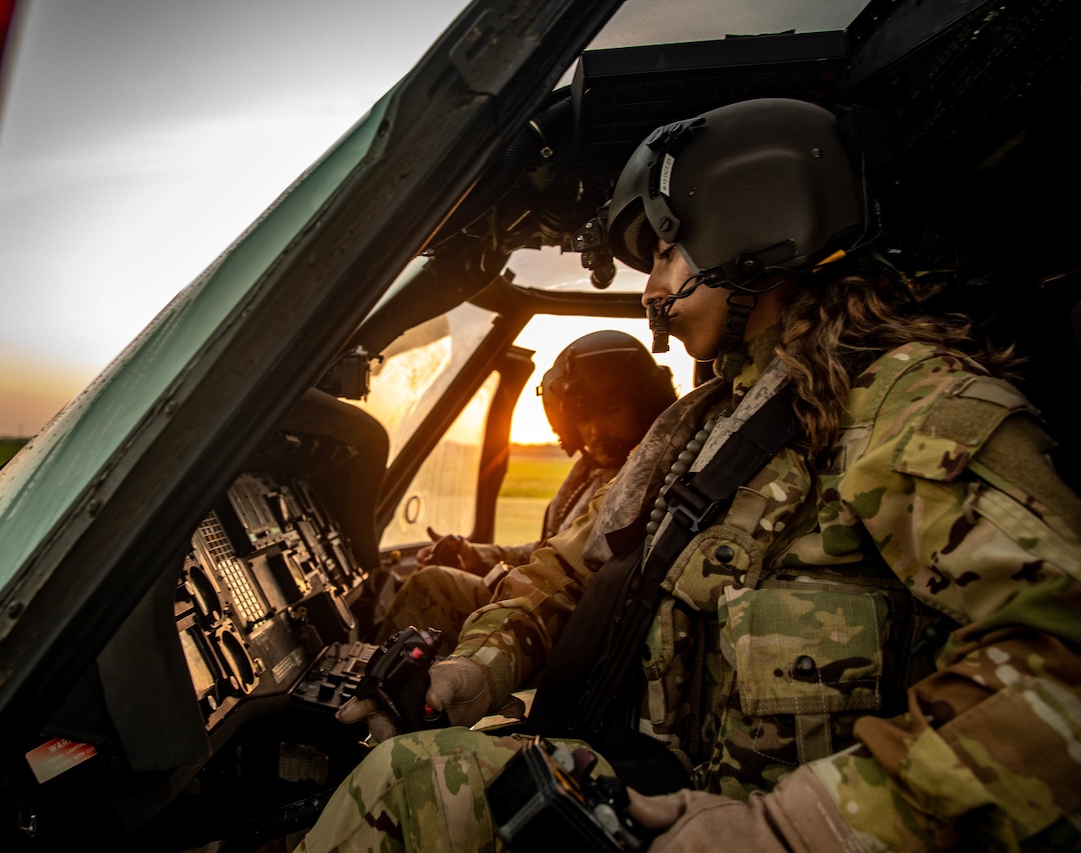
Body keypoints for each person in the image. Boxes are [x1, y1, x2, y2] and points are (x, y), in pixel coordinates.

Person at [299, 97, 1081, 851]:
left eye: (667, 250)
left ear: (751, 225)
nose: (651, 289)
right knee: (415, 773)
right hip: (656, 785)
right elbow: (570, 574)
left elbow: (1062, 658)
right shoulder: (699, 423)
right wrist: (476, 670)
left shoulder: (917, 406)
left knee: (407, 784)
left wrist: (798, 828)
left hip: (772, 828)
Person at [373, 330, 677, 656]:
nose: (595, 430)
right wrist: (479, 555)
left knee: (431, 585)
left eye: (611, 410)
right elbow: (554, 547)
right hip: (552, 604)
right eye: (583, 417)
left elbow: (576, 570)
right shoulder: (594, 469)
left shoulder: (645, 480)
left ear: (646, 400)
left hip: (574, 630)